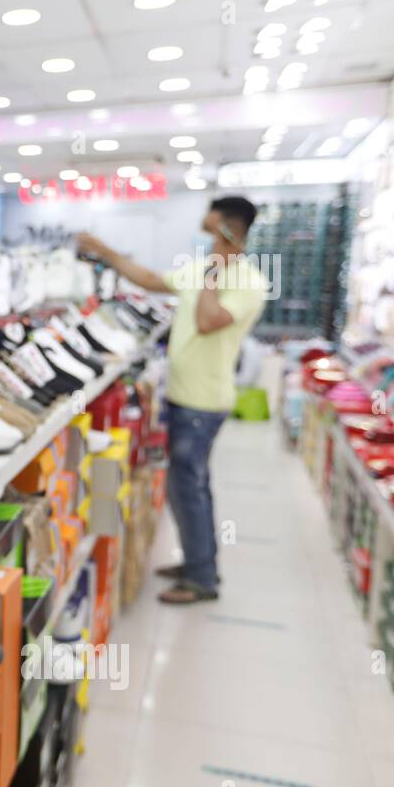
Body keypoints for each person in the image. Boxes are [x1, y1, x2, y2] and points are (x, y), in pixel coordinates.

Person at [77, 196, 268, 604]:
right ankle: (198, 562)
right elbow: (149, 280)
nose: (202, 219)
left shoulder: (249, 281)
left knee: (189, 487)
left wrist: (216, 272)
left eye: (210, 217)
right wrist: (106, 253)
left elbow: (206, 319)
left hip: (204, 402)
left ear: (225, 225)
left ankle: (202, 579)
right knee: (187, 487)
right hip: (183, 396)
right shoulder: (202, 268)